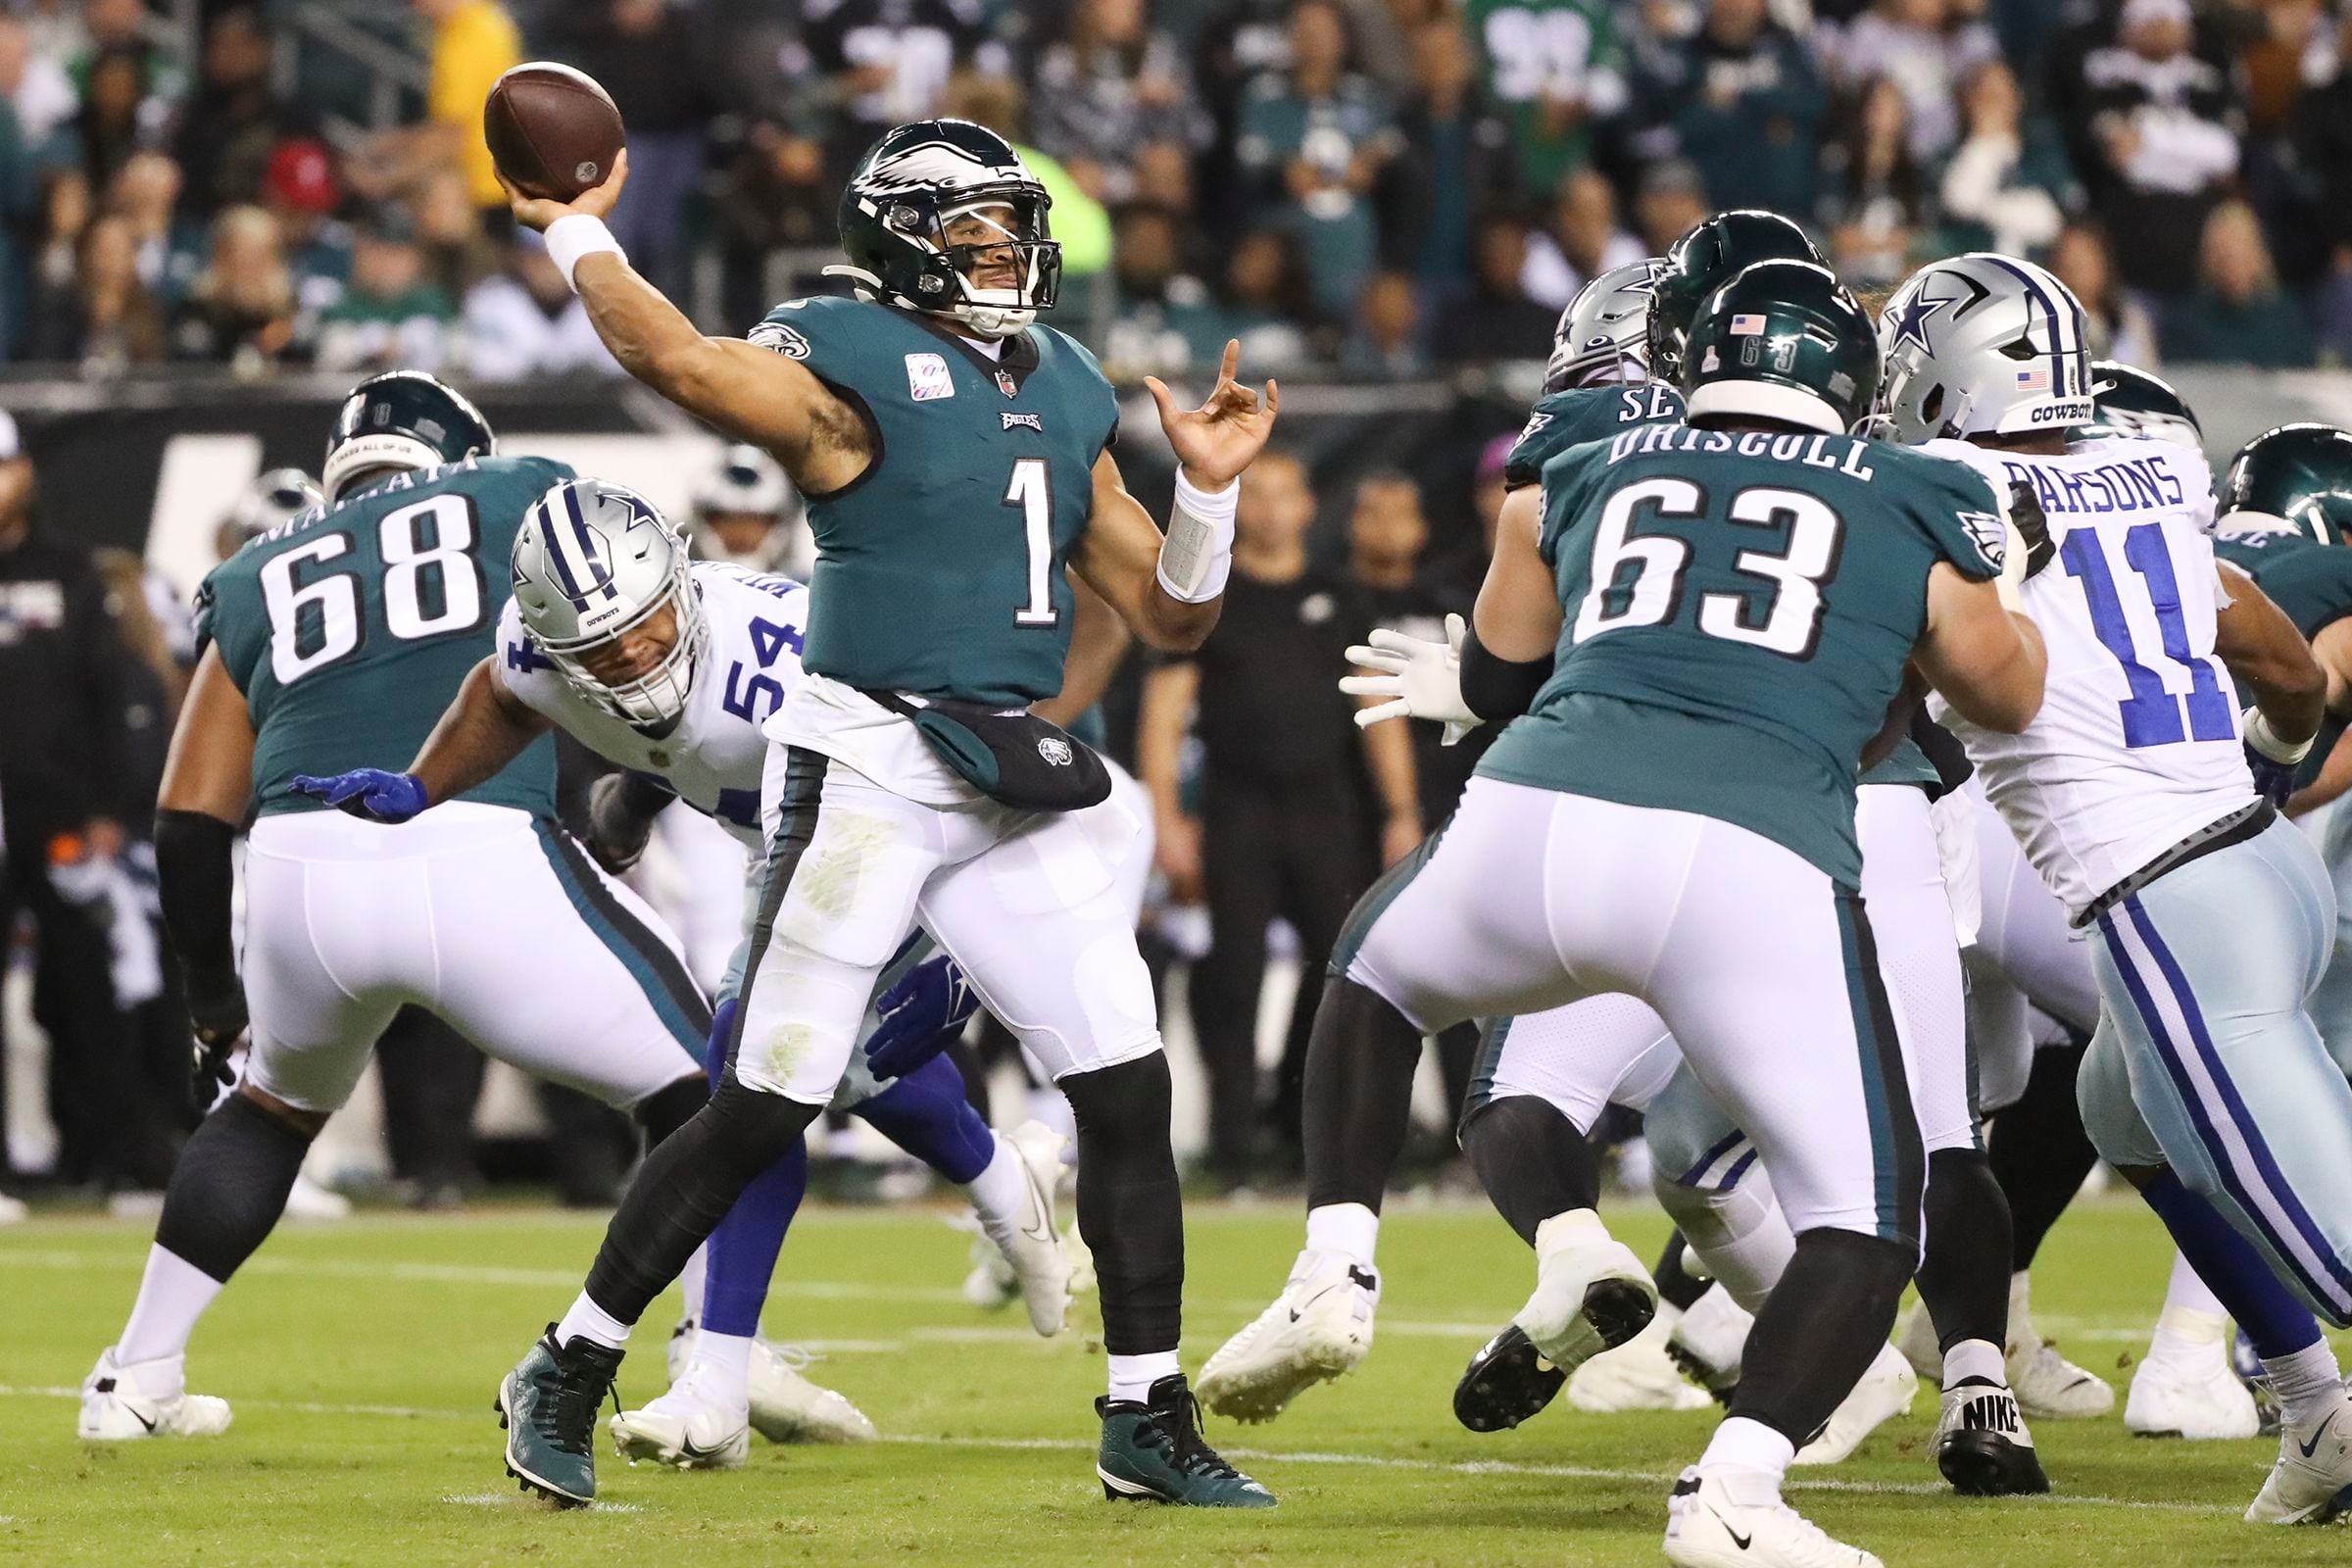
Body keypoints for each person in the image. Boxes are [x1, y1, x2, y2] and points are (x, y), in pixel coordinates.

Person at [471, 117, 1281, 1508]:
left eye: (1011, 225)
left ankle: (1144, 1416)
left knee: (1126, 1092)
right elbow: (673, 358)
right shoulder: (844, 357)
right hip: (870, 765)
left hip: (1009, 767)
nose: (1007, 250)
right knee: (763, 1102)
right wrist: (576, 225)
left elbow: (1168, 612)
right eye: (974, 227)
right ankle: (571, 1362)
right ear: (904, 241)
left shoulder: (1068, 381)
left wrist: (1205, 494)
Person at [1261, 255, 2046, 1568]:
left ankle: (1334, 1260)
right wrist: (1994, 575)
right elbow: (2001, 695)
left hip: (1542, 810)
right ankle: (1740, 1489)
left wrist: (1485, 676)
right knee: (1869, 1213)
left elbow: (1509, 662)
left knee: (1379, 975)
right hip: (1761, 849)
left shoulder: (1588, 454)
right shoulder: (1920, 487)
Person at [302, 475, 1077, 1467]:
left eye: (645, 631)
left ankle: (717, 1375)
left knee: (752, 1069)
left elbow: (947, 741)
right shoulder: (541, 653)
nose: (632, 659)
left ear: (682, 579)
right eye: (601, 653)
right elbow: (500, 694)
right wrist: (423, 785)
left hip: (942, 825)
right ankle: (1005, 1186)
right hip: (794, 832)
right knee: (837, 1069)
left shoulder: (788, 650)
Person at [74, 373, 716, 1442]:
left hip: (300, 868)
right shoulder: (514, 491)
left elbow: (188, 819)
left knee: (271, 1107)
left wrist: (211, 1005)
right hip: (471, 841)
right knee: (705, 1091)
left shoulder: (254, 570)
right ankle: (707, 1359)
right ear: (463, 451)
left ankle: (136, 1376)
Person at [1879, 253, 2352, 1526]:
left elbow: (1987, 687)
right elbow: (2269, 646)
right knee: (2121, 1113)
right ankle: (2317, 1408)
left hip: (2165, 897)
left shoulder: (1938, 487)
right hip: (2263, 860)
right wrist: (2286, 744)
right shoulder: (2143, 463)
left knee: (2335, 1227)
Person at [1137, 448, 1420, 1188]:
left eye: (1282, 494)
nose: (1268, 510)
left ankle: (1299, 1125)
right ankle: (1232, 1143)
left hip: (1327, 809)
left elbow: (1378, 708)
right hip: (1237, 809)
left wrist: (1400, 811)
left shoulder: (1341, 595)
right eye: (1253, 495)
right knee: (1234, 974)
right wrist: (1167, 815)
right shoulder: (1210, 596)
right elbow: (1165, 713)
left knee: (1338, 971)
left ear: (1306, 506)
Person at [0, 407, 148, 1191]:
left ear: (26, 472)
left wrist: (105, 812)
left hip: (58, 817)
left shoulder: (67, 571)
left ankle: (102, 1159)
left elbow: (107, 693)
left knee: (84, 991)